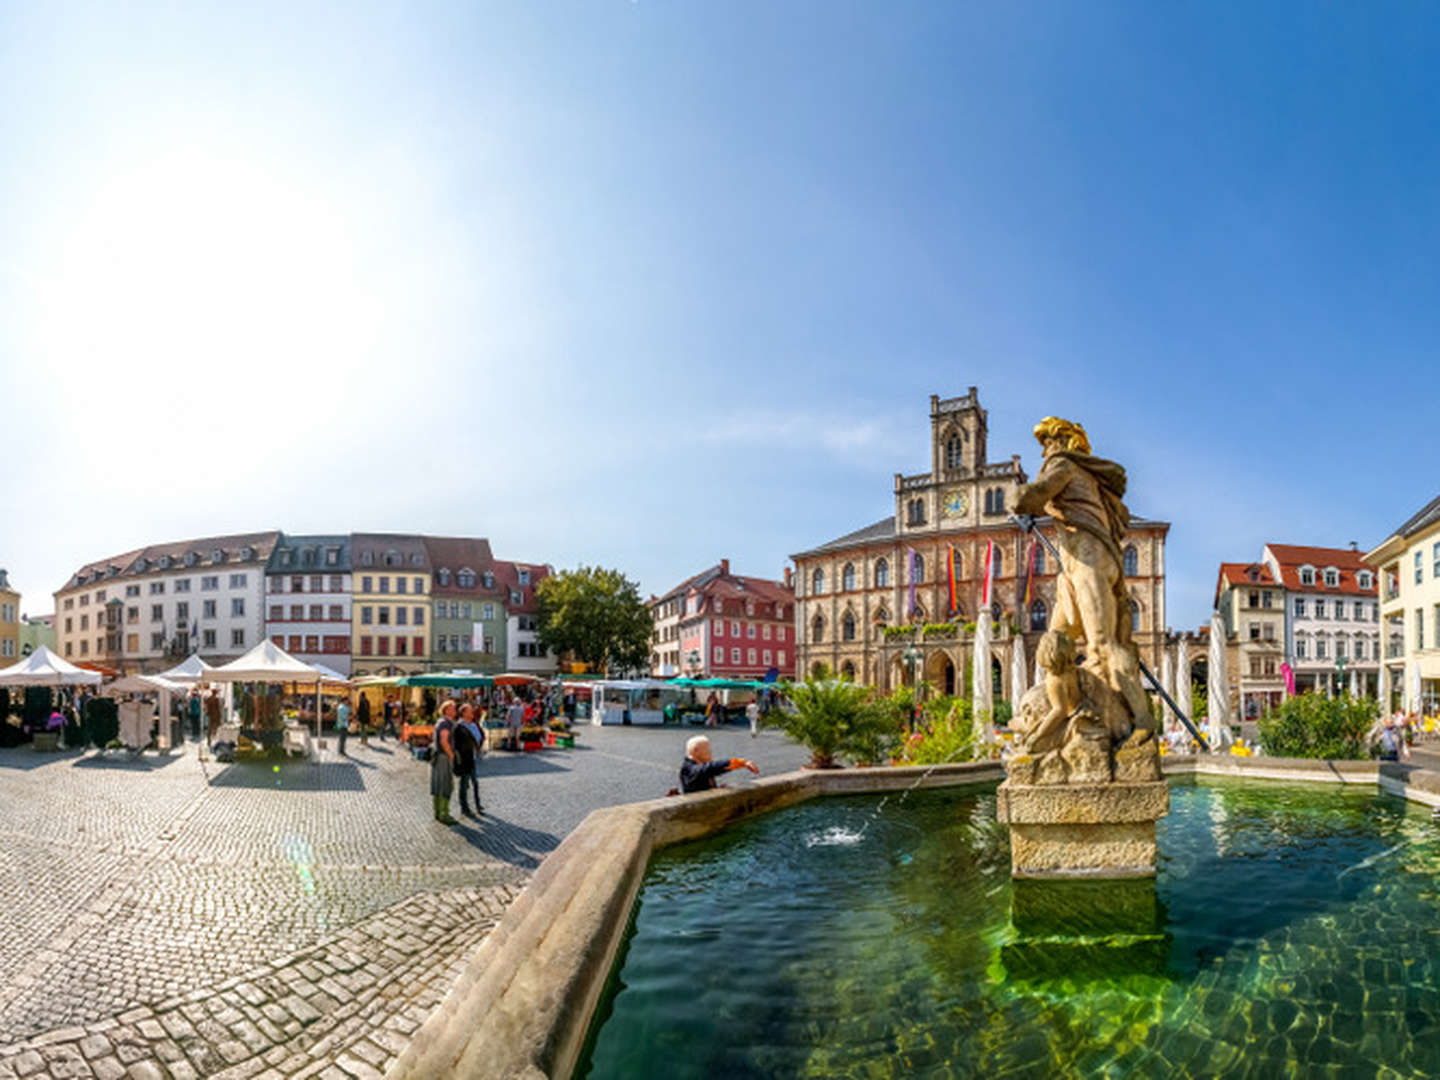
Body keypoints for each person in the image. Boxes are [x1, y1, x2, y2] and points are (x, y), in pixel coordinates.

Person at [679, 735, 758, 794]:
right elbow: (710, 768)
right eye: (707, 750)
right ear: (695, 751)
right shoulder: (688, 768)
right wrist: (741, 763)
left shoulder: (700, 764)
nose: (710, 753)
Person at [453, 703, 484, 817]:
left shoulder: (474, 724)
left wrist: (478, 747)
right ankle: (464, 808)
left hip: (473, 758)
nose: (472, 712)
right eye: (470, 711)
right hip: (464, 759)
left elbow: (480, 737)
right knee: (464, 784)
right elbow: (456, 744)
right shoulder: (459, 726)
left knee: (475, 782)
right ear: (464, 713)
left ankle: (478, 805)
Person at [431, 700, 458, 824]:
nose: (455, 711)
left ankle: (437, 811)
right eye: (453, 708)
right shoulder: (445, 723)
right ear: (446, 710)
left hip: (438, 756)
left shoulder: (440, 721)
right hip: (443, 757)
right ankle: (444, 813)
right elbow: (444, 741)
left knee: (438, 783)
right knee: (445, 784)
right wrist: (452, 756)